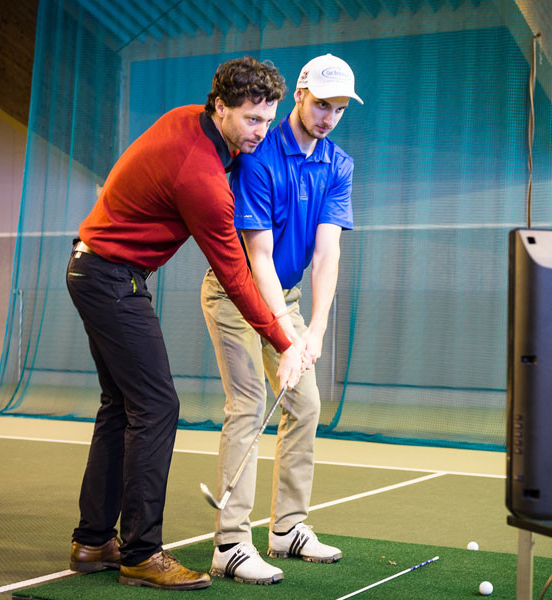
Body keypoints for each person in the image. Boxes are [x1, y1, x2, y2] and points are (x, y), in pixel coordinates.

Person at [65, 56, 303, 591]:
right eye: (251, 120)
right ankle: (142, 554)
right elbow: (237, 279)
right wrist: (284, 340)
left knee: (121, 404)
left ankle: (93, 541)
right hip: (112, 279)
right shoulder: (200, 176)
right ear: (220, 107)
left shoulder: (188, 118)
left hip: (90, 269)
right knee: (157, 406)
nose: (261, 133)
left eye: (268, 120)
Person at [201, 54, 362, 585]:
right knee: (248, 404)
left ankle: (288, 528)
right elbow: (259, 258)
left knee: (306, 402)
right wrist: (286, 337)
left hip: (285, 297)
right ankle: (231, 543)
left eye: (339, 109)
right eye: (321, 105)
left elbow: (327, 254)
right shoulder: (259, 156)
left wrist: (311, 332)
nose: (328, 117)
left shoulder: (338, 163)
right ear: (299, 96)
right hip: (236, 293)